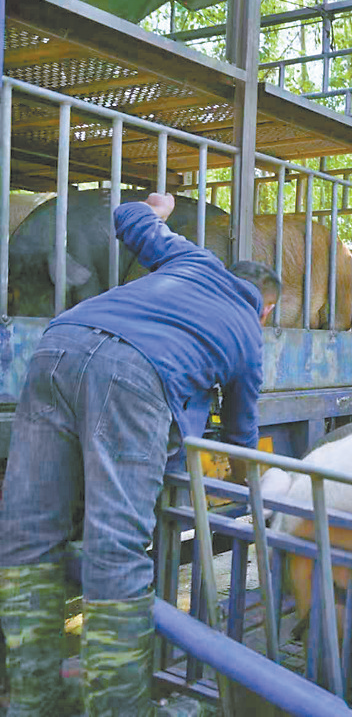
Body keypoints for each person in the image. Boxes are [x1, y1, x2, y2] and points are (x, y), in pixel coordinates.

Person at [0, 193, 278, 716]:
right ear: (266, 308)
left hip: (58, 345)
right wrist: (247, 482)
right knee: (116, 547)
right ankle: (118, 708)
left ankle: (32, 701)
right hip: (134, 375)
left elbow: (127, 217)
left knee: (28, 533)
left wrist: (159, 207)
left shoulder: (194, 260)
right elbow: (242, 435)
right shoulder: (249, 335)